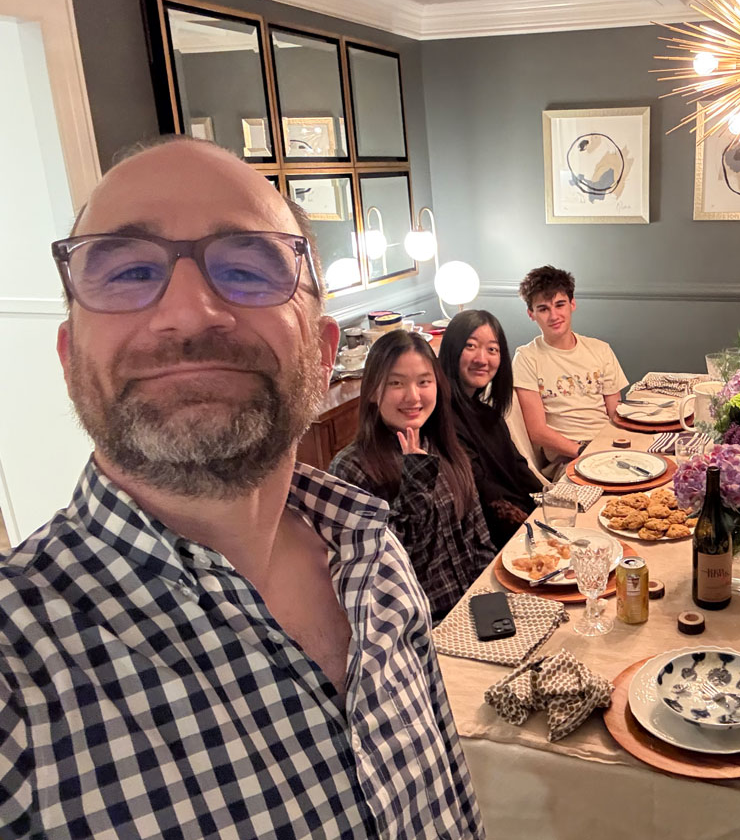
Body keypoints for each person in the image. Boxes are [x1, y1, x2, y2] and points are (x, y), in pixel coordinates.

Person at [0, 137, 483, 837]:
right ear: (72, 359)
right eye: (131, 270)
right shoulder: (18, 675)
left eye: (247, 269)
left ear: (320, 355)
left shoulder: (372, 552)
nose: (190, 311)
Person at [331, 329, 496, 624]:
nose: (413, 396)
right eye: (396, 383)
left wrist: (493, 615)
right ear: (372, 391)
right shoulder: (351, 470)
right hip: (416, 631)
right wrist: (415, 484)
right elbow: (384, 578)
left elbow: (481, 543)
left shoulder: (444, 447)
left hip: (473, 613)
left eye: (424, 382)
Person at [439, 309, 542, 547]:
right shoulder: (443, 419)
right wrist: (533, 533)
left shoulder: (488, 414)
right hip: (492, 542)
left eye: (492, 349)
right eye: (471, 346)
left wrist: (553, 501)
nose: (482, 359)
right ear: (452, 350)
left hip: (525, 524)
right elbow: (484, 494)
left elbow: (519, 468)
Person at [512, 265, 627, 466]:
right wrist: (582, 451)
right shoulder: (527, 358)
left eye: (559, 305)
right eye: (543, 309)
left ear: (572, 304)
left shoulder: (600, 350)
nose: (554, 316)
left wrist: (619, 447)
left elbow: (616, 414)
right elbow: (537, 431)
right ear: (531, 314)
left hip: (607, 446)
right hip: (567, 457)